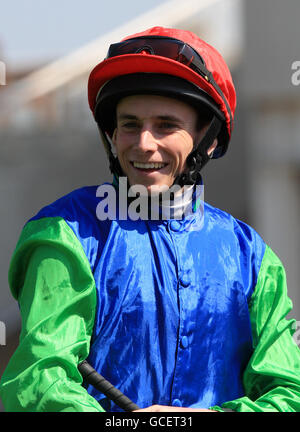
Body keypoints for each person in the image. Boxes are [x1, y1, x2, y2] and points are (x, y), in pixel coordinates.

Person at [1, 26, 300, 413]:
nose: (144, 142)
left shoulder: (253, 257)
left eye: (165, 125)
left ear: (207, 140)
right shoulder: (63, 234)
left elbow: (289, 395)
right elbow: (39, 383)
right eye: (130, 124)